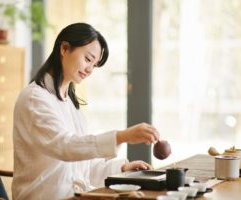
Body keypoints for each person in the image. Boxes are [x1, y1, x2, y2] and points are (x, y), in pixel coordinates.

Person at [12, 23, 160, 200]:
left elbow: (83, 166)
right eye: (88, 59)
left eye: (95, 64)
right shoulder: (35, 98)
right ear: (65, 48)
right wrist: (122, 136)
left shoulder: (70, 105)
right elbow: (66, 147)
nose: (90, 69)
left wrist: (122, 169)